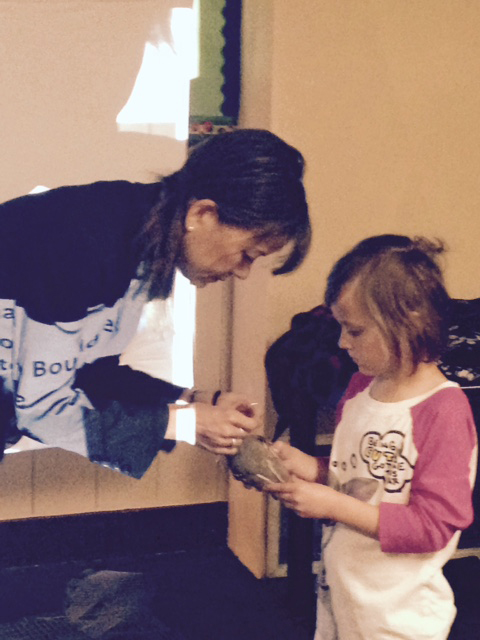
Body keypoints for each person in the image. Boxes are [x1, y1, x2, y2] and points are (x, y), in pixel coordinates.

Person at [0, 128, 311, 479]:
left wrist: (194, 400)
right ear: (202, 214)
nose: (242, 272)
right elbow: (42, 409)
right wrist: (185, 422)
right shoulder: (85, 242)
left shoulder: (136, 241)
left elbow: (88, 373)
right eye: (247, 254)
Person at [265, 234, 477, 639]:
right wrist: (311, 468)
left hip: (399, 617)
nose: (343, 343)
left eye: (355, 330)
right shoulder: (361, 387)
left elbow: (433, 527)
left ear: (409, 321)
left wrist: (333, 505)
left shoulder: (442, 411)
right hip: (343, 598)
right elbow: (360, 478)